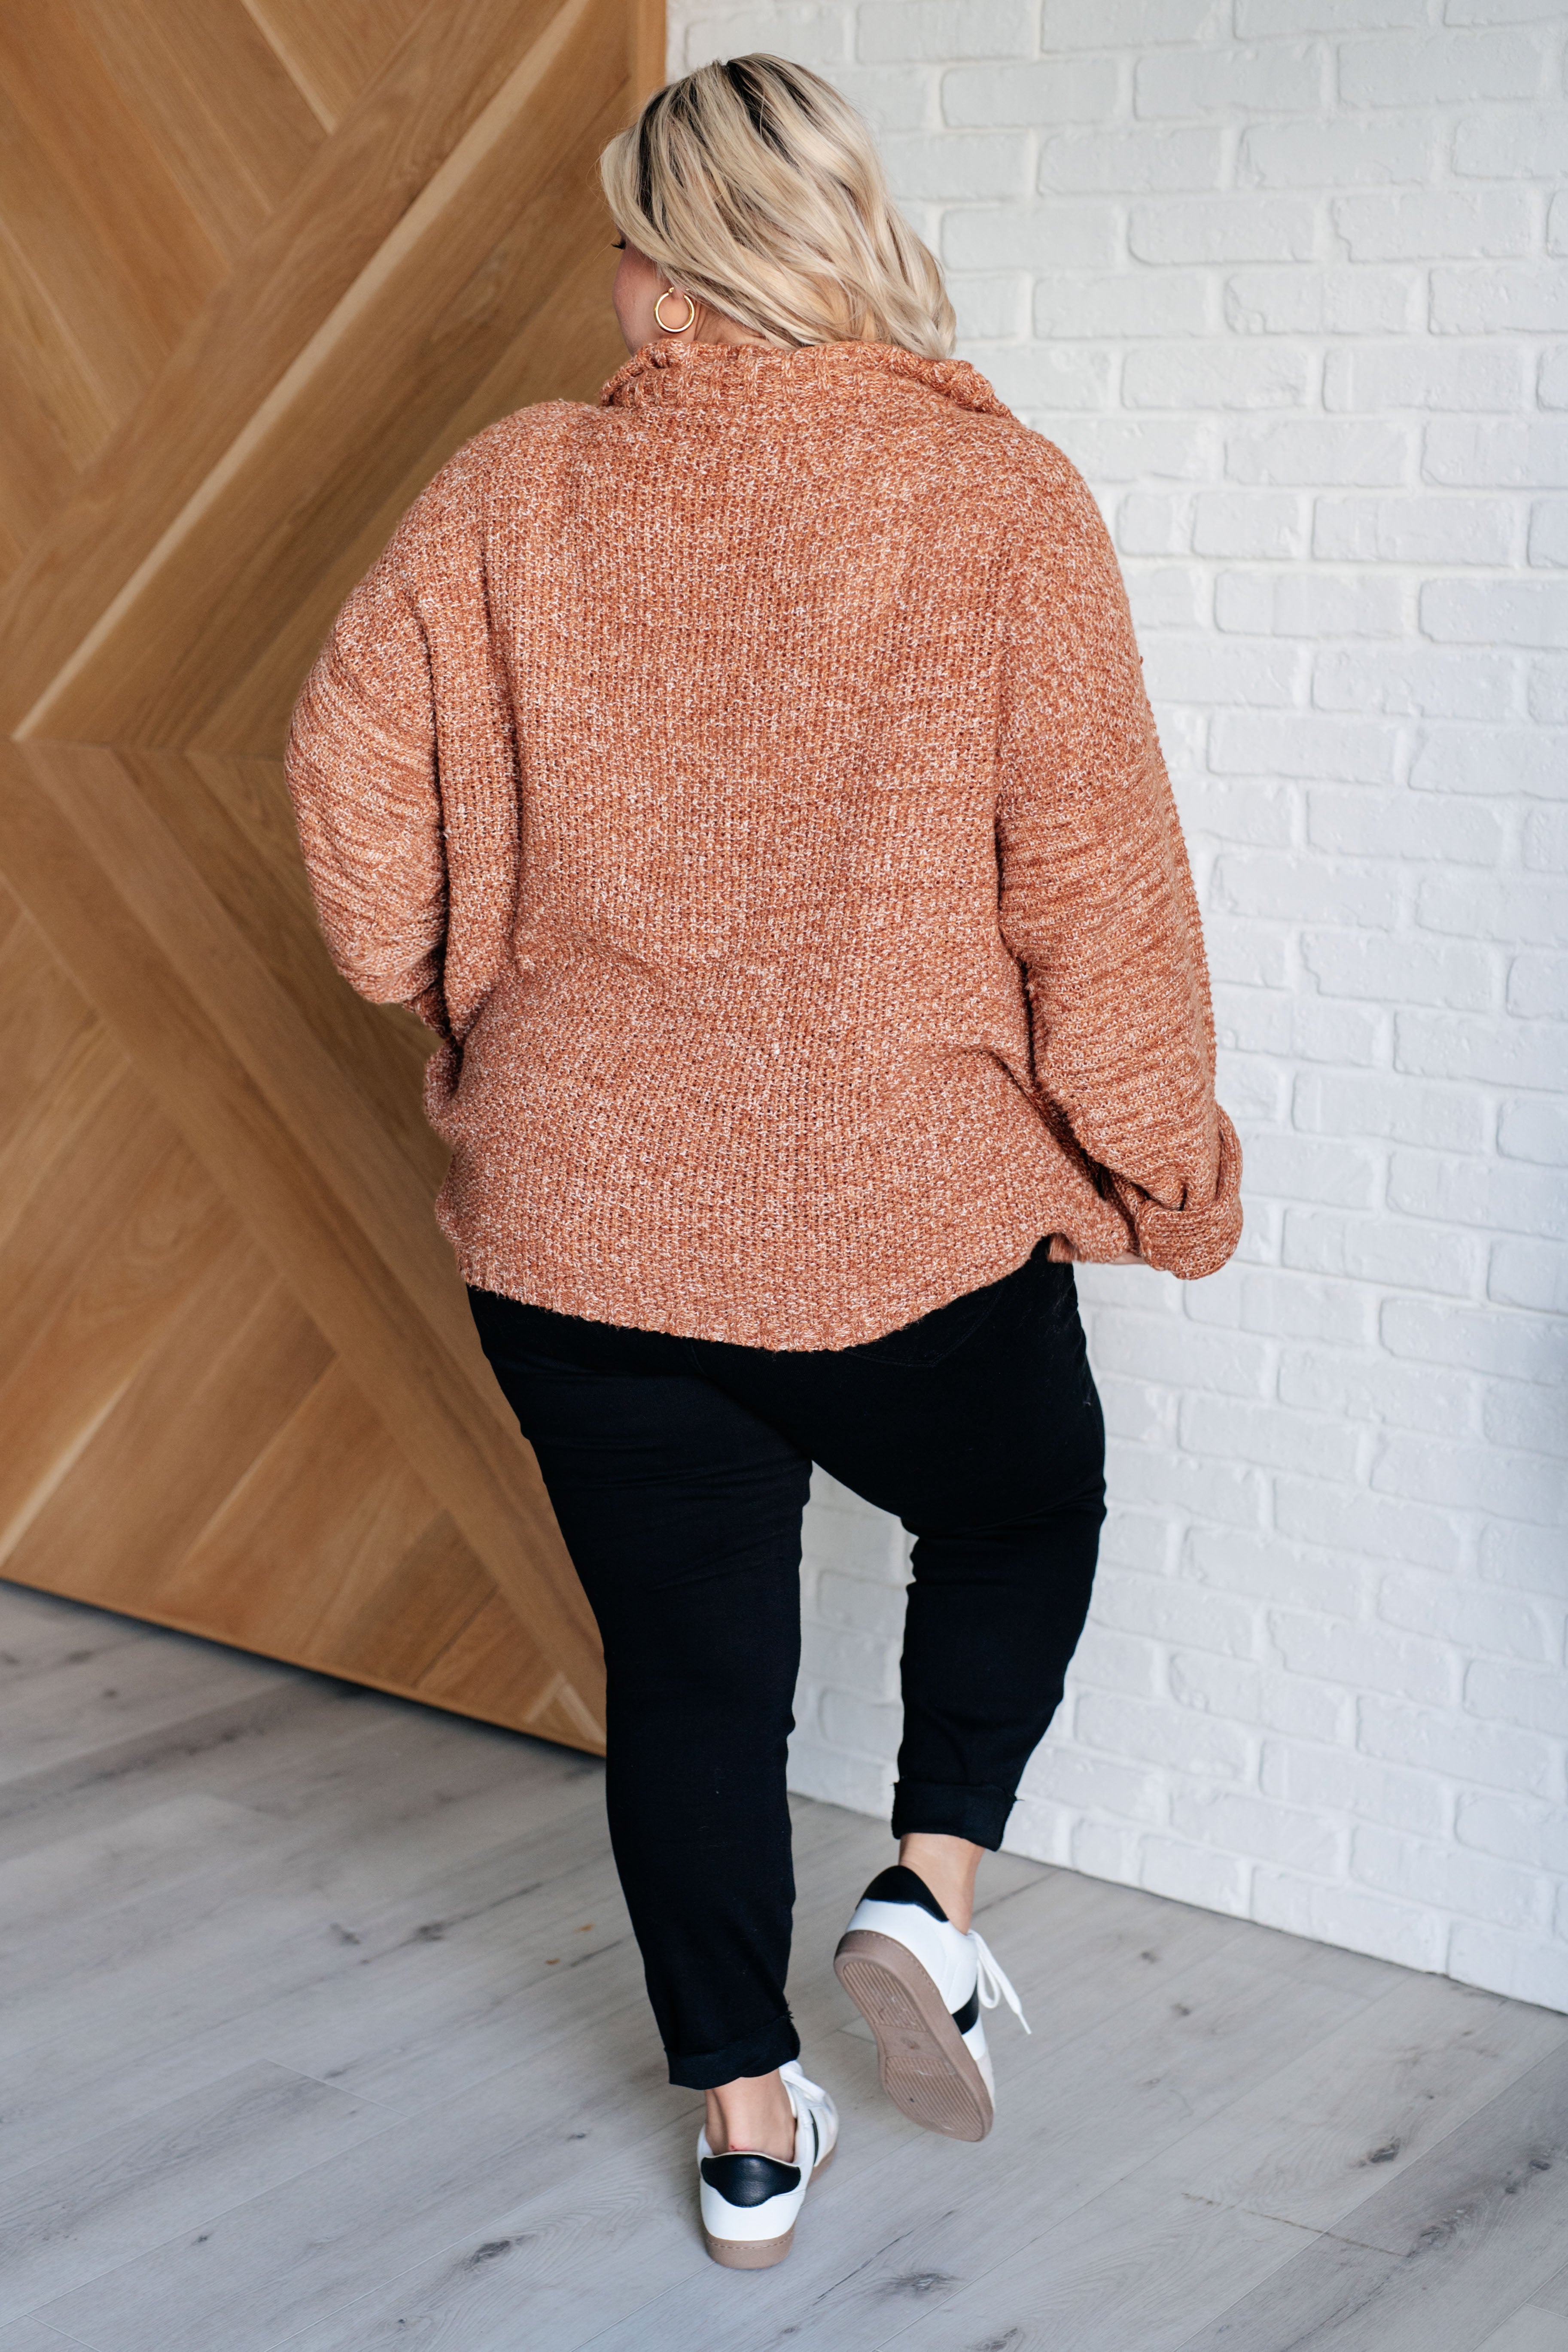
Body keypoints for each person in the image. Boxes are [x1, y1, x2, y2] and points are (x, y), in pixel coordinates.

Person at [286, 54, 1242, 2271]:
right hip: (892, 1222)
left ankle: (742, 2130)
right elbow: (1099, 899)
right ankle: (928, 1892)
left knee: (693, 1671)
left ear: (665, 267)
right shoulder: (994, 500)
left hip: (573, 1226)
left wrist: (462, 991)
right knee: (1021, 1507)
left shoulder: (513, 488)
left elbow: (344, 786)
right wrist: (1166, 1170)